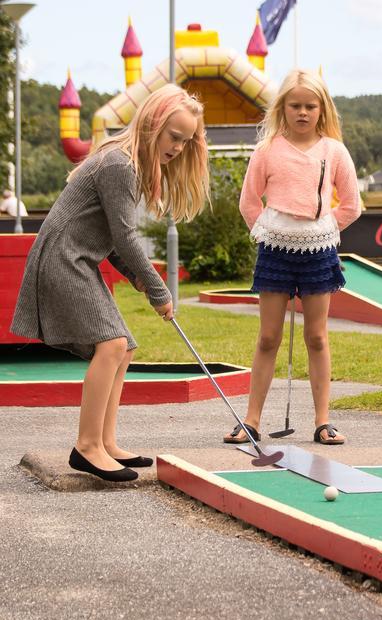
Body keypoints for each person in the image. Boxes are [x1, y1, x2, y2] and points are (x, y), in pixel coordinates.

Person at [12, 85, 209, 482]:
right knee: (112, 344)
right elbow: (125, 237)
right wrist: (157, 289)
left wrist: (136, 275)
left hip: (79, 258)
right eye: (174, 137)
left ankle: (105, 442)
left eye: (186, 142)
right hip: (64, 259)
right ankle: (86, 447)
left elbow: (111, 238)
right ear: (154, 124)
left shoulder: (127, 164)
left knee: (125, 348)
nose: (178, 148)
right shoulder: (119, 164)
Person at [224, 69, 361, 447]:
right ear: (282, 108)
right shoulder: (267, 150)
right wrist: (266, 229)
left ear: (322, 109)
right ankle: (251, 421)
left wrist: (326, 228)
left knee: (316, 337)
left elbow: (352, 204)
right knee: (268, 336)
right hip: (275, 250)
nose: (302, 112)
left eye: (310, 106)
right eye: (295, 105)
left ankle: (322, 422)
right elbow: (249, 201)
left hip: (318, 250)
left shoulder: (334, 151)